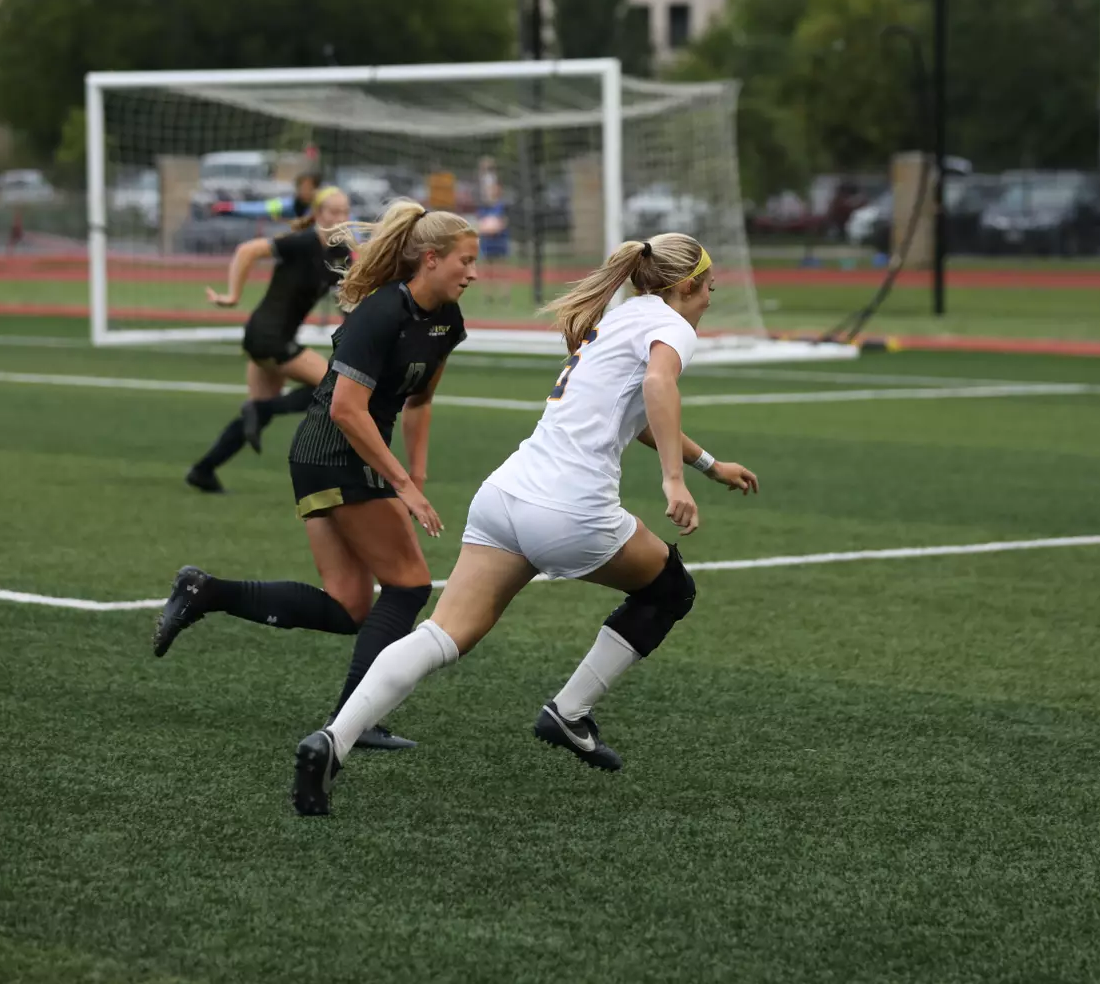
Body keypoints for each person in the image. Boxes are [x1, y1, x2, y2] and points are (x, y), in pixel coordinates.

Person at [290, 233, 759, 816]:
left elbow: (631, 412)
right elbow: (658, 387)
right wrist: (672, 481)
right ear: (687, 283)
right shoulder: (671, 324)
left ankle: (333, 740)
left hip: (505, 495)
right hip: (568, 510)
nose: (713, 294)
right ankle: (569, 713)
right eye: (711, 282)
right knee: (670, 590)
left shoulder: (621, 318)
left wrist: (709, 465)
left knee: (441, 634)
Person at [157, 200, 479, 752]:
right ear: (430, 259)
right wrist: (401, 483)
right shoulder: (380, 313)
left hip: (341, 455)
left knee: (349, 606)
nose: (473, 273)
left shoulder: (447, 320)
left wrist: (416, 475)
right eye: (465, 261)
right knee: (409, 585)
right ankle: (352, 722)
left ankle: (205, 591)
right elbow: (346, 410)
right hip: (334, 452)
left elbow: (420, 402)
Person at [186, 185, 350, 493]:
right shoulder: (303, 242)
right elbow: (248, 250)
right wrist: (233, 295)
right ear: (317, 214)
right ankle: (264, 412)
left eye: (345, 211)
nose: (340, 218)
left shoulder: (339, 254)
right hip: (266, 336)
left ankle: (203, 470)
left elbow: (349, 299)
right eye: (333, 212)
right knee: (334, 385)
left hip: (274, 339)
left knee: (259, 411)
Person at [213, 170, 324, 222]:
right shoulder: (289, 204)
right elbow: (260, 208)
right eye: (300, 187)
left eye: (307, 187)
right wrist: (231, 208)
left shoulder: (324, 206)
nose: (303, 191)